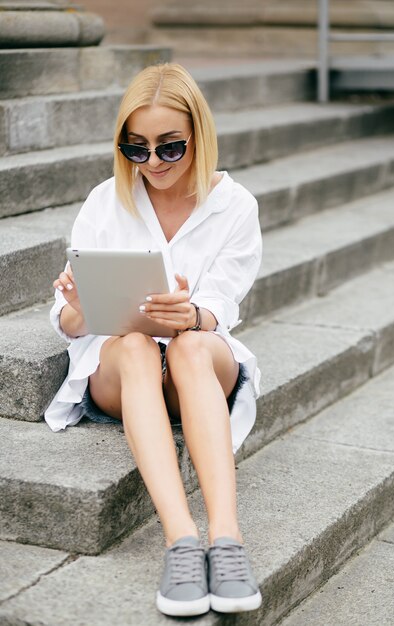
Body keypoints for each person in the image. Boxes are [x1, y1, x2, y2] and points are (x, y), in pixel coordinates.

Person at [45, 63, 262, 617]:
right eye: (136, 148)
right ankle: (182, 543)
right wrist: (77, 309)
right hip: (126, 369)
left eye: (170, 147)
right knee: (138, 345)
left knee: (187, 344)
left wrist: (192, 313)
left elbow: (222, 306)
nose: (153, 163)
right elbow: (69, 323)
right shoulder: (105, 201)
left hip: (199, 361)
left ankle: (228, 541)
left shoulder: (234, 206)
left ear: (199, 137)